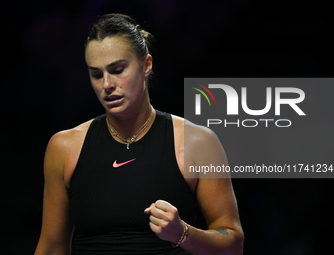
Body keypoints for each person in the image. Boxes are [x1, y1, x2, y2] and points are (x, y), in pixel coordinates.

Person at [34, 13, 244, 255]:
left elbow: (234, 244)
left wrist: (182, 233)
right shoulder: (64, 146)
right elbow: (51, 247)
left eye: (118, 70)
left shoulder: (197, 142)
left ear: (147, 65)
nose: (107, 84)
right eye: (96, 74)